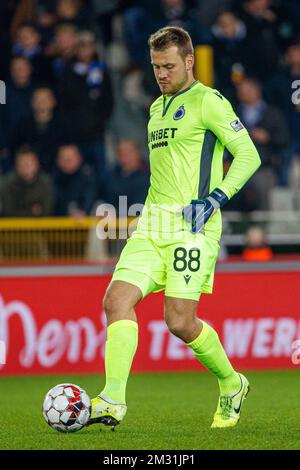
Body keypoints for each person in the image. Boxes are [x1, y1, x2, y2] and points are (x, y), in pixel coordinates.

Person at [87, 26, 261, 430]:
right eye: (154, 67)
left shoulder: (209, 101)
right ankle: (113, 400)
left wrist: (215, 198)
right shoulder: (156, 108)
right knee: (116, 301)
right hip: (152, 224)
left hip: (193, 228)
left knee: (180, 322)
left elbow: (248, 154)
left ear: (189, 61)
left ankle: (232, 383)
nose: (161, 74)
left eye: (168, 66)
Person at [1, 145, 53, 217]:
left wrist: (21, 210)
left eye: (29, 163)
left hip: (41, 226)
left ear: (36, 164)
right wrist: (31, 211)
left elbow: (47, 211)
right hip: (12, 227)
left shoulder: (46, 182)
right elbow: (8, 212)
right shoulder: (6, 184)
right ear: (16, 165)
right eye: (22, 164)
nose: (25, 167)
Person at [53, 144, 96, 218]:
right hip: (61, 225)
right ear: (58, 161)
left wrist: (83, 211)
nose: (68, 161)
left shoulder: (88, 176)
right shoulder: (54, 179)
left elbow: (90, 198)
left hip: (87, 223)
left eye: (71, 157)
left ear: (80, 158)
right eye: (65, 158)